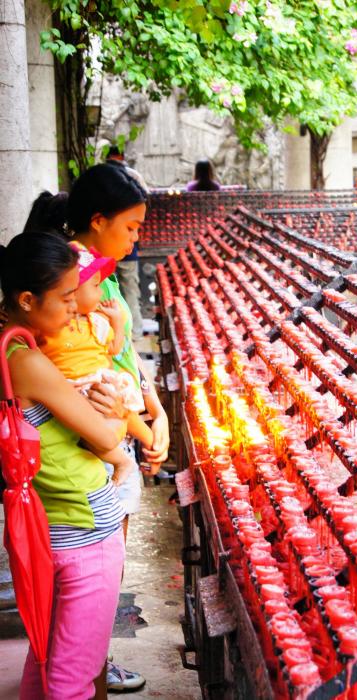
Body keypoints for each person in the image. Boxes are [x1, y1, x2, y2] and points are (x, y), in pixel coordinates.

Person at [0, 232, 127, 699]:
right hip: (86, 533)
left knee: (45, 666)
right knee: (71, 684)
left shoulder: (5, 349)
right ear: (28, 299)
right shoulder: (28, 362)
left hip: (43, 532)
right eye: (67, 297)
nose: (77, 308)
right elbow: (105, 435)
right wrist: (114, 414)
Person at [66, 164, 169, 692]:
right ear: (98, 219)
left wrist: (157, 409)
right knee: (95, 572)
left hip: (122, 420)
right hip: (93, 438)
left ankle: (95, 660)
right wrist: (146, 433)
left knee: (111, 566)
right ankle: (88, 669)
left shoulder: (100, 277)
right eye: (130, 227)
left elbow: (123, 356)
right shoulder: (72, 284)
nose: (137, 237)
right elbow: (86, 373)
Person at [39, 243, 156, 486]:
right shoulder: (49, 329)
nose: (100, 294)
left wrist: (116, 322)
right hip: (74, 389)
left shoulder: (97, 323)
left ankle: (144, 444)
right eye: (94, 287)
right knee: (97, 436)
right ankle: (122, 459)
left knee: (115, 420)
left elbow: (115, 349)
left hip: (100, 383)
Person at [106, 146, 146, 341]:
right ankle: (134, 332)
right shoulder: (133, 176)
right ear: (122, 157)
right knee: (130, 288)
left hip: (106, 247)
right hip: (125, 250)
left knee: (108, 291)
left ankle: (118, 332)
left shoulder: (101, 177)